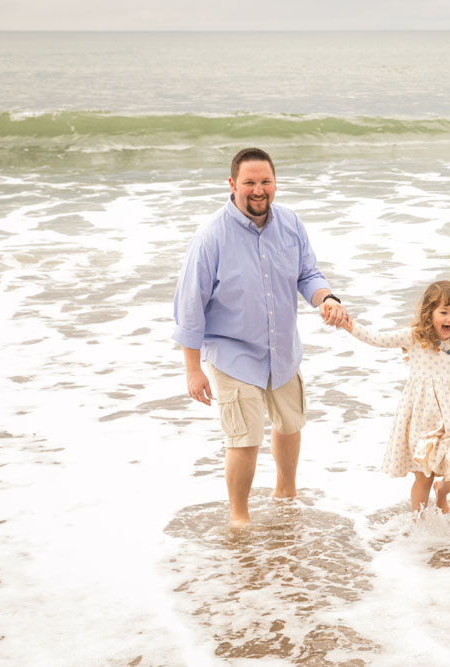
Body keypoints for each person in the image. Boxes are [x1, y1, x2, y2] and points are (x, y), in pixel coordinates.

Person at [172, 147, 348, 527]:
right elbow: (190, 307)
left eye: (265, 182)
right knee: (245, 438)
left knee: (290, 424)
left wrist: (326, 299)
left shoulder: (290, 223)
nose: (258, 190)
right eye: (249, 182)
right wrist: (192, 370)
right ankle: (240, 519)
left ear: (275, 184)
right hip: (233, 353)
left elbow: (308, 274)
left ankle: (286, 496)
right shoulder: (210, 237)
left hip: (283, 349)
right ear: (232, 185)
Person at [337, 281, 450, 514]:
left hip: (449, 420)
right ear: (429, 312)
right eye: (443, 312)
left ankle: (442, 491)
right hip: (421, 416)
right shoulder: (414, 337)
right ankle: (418, 524)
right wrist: (350, 326)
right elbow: (378, 339)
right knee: (424, 478)